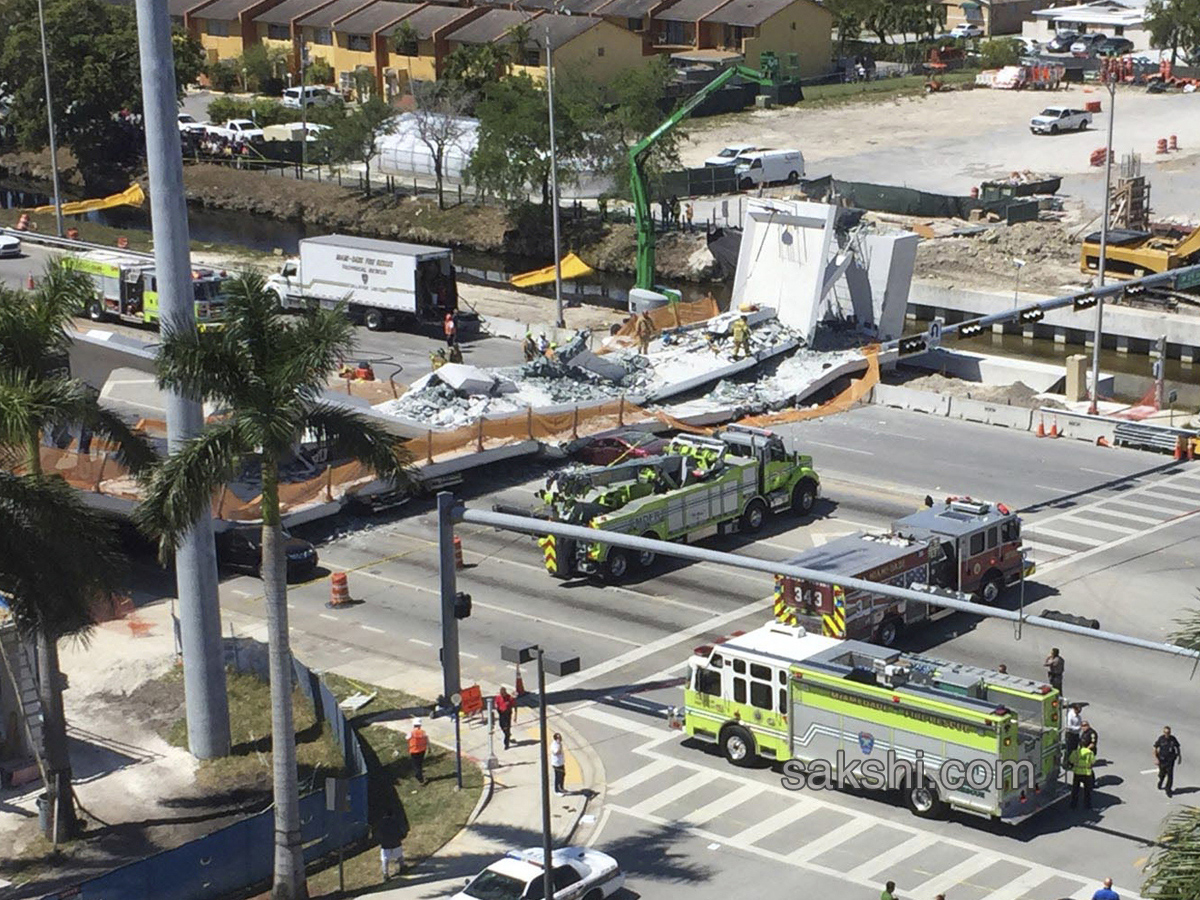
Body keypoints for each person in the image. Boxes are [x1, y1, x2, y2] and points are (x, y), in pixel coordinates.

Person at [376, 809, 406, 882]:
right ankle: (402, 867)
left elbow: (378, 835)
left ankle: (385, 875)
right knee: (399, 856)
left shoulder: (380, 823)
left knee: (385, 860)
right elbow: (401, 832)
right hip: (396, 843)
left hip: (385, 845)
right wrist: (400, 838)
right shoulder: (395, 822)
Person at [1154, 725, 1182, 796]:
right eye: (1166, 732)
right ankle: (1160, 781)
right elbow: (1155, 748)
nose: (1167, 734)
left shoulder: (1173, 739)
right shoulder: (1161, 739)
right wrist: (1156, 759)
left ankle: (1168, 790)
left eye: (1169, 732)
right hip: (1162, 760)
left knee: (1170, 775)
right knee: (1162, 774)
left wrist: (1179, 756)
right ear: (1164, 733)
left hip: (1170, 760)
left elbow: (1177, 747)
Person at [1068, 738, 1096, 809]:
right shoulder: (1090, 753)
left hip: (1077, 773)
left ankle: (1073, 804)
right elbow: (1093, 762)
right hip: (1087, 774)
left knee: (1075, 790)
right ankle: (1087, 805)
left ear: (1079, 745)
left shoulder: (1076, 752)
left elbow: (1071, 760)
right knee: (1087, 791)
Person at [408, 718, 428, 785]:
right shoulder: (423, 732)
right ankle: (419, 776)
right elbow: (426, 739)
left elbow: (407, 738)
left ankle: (420, 778)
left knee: (416, 765)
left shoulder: (411, 732)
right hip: (422, 750)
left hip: (414, 751)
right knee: (419, 764)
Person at [495, 686, 515, 750]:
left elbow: (514, 706)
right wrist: (496, 707)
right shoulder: (498, 697)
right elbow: (496, 704)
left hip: (508, 714)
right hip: (501, 714)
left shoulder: (509, 698)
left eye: (503, 693)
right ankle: (507, 734)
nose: (502, 695)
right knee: (501, 725)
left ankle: (506, 744)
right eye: (501, 693)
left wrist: (515, 716)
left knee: (507, 728)